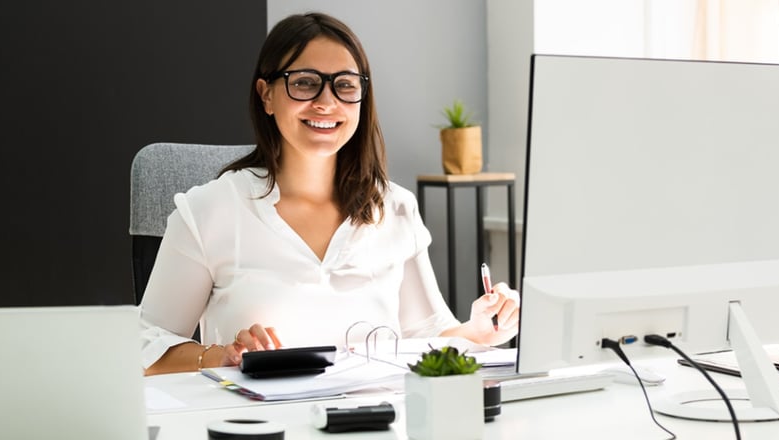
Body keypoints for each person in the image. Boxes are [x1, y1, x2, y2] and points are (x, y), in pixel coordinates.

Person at [139, 12, 519, 375]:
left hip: (377, 420)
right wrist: (222, 355)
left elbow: (427, 335)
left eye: (345, 85)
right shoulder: (210, 210)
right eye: (304, 82)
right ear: (266, 95)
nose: (326, 102)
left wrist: (480, 331)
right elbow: (142, 345)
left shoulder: (395, 207)